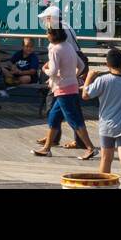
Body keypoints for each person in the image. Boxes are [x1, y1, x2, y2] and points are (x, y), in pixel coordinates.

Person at [32, 26, 96, 160]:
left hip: (63, 90)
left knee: (74, 119)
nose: (46, 35)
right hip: (71, 86)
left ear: (53, 35)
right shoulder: (68, 46)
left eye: (48, 33)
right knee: (54, 118)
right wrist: (72, 76)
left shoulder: (55, 49)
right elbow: (82, 66)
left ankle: (90, 148)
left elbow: (53, 71)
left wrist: (44, 70)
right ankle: (47, 148)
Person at [82, 48, 121, 189]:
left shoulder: (103, 80)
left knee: (106, 158)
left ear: (107, 64)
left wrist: (89, 77)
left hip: (107, 125)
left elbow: (85, 95)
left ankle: (102, 186)